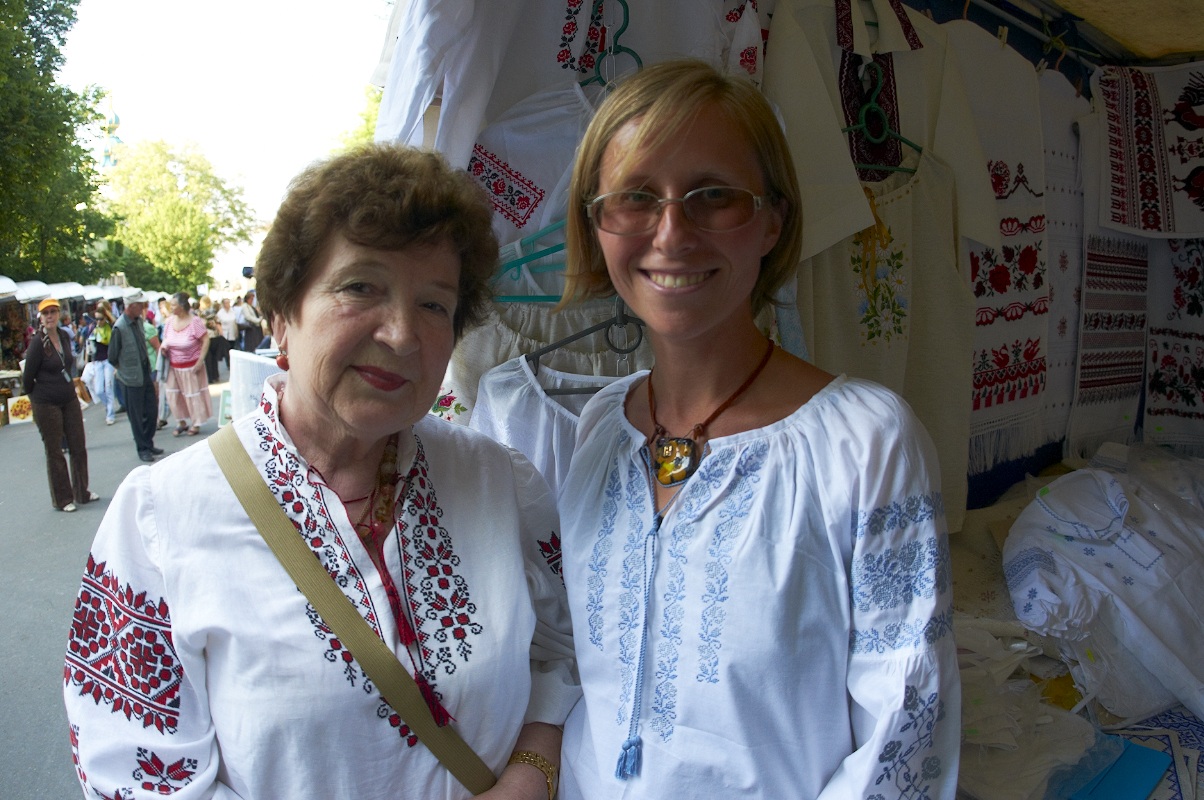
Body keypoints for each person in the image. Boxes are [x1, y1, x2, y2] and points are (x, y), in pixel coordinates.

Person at [63, 142, 578, 799]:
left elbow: (561, 655)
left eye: (434, 305)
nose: (401, 334)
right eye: (361, 287)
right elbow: (134, 776)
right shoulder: (162, 518)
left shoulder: (498, 483)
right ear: (282, 316)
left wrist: (530, 775)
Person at [555, 60, 960, 799]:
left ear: (773, 219)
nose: (671, 233)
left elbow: (903, 726)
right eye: (635, 197)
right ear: (596, 224)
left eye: (713, 196)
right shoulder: (599, 430)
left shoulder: (865, 443)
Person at [21, 297, 98, 512]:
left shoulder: (64, 335)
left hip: (68, 397)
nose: (50, 317)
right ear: (40, 318)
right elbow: (27, 378)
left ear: (58, 314)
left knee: (78, 445)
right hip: (46, 402)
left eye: (53, 312)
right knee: (55, 451)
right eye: (46, 314)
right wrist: (37, 397)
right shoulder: (38, 343)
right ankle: (63, 499)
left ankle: (82, 492)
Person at [108, 292, 164, 463]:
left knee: (151, 411)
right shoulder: (119, 327)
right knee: (137, 416)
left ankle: (148, 442)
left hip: (144, 373)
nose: (143, 308)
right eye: (140, 305)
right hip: (130, 378)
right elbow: (112, 356)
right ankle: (143, 448)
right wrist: (124, 370)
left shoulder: (138, 321)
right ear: (131, 306)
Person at [160, 291, 212, 436]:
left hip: (191, 366)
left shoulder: (195, 321)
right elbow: (166, 338)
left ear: (182, 307)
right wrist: (164, 347)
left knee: (192, 395)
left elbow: (205, 339)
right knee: (174, 395)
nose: (171, 307)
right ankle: (181, 422)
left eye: (173, 305)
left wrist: (200, 360)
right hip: (173, 366)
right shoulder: (169, 321)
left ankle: (196, 423)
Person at [89, 299, 119, 425]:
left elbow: (116, 325)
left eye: (101, 319)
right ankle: (108, 407)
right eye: (96, 319)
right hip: (97, 361)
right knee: (99, 390)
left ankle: (110, 414)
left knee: (109, 387)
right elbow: (90, 346)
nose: (98, 321)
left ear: (105, 318)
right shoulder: (93, 329)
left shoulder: (110, 328)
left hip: (108, 360)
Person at [215, 296, 239, 370]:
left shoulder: (232, 311)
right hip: (225, 333)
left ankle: (233, 363)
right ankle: (229, 364)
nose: (228, 304)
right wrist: (221, 332)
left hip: (233, 332)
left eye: (228, 302)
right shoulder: (220, 313)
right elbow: (218, 323)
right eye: (226, 303)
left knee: (233, 348)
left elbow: (235, 321)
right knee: (227, 349)